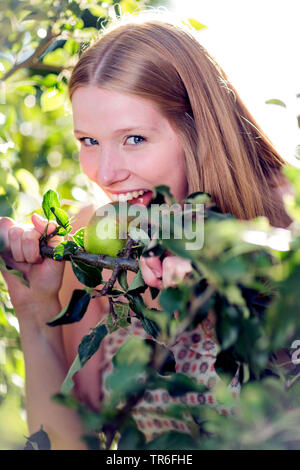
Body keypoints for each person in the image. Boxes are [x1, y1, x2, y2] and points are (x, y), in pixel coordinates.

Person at [0, 10, 293, 449]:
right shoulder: (99, 249)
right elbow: (69, 443)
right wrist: (36, 311)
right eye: (88, 141)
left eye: (133, 139)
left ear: (199, 129)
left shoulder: (288, 222)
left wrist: (235, 265)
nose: (105, 173)